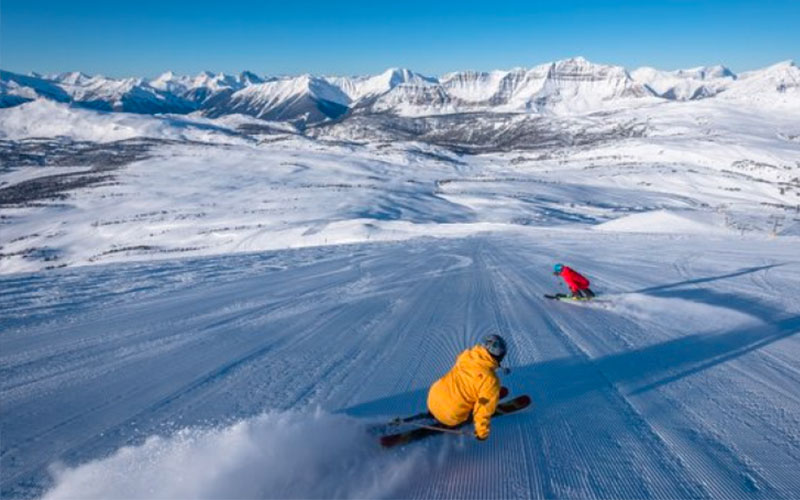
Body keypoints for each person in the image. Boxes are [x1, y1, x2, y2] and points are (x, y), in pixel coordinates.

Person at [426, 334, 506, 441]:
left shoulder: (466, 356)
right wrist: (481, 432)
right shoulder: (490, 381)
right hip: (450, 415)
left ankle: (435, 411)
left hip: (432, 398)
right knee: (482, 399)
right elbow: (482, 409)